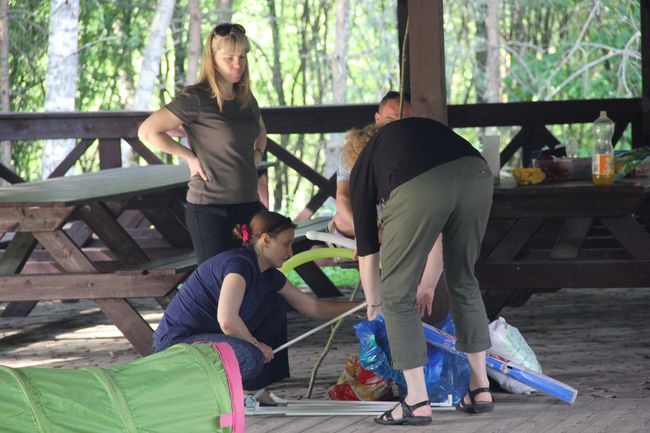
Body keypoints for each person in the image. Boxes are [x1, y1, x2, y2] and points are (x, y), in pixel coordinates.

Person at [350, 117, 495, 426]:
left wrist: (375, 304)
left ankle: (416, 401)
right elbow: (440, 228)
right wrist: (428, 282)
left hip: (422, 184)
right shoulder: (408, 138)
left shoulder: (364, 166)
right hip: (477, 172)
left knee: (396, 295)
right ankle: (480, 388)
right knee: (465, 279)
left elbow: (367, 250)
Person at [152, 210, 362, 404]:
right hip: (178, 347)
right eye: (286, 244)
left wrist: (361, 306)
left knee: (275, 305)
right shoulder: (238, 265)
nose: (290, 252)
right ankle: (222, 392)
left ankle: (254, 388)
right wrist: (255, 344)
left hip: (208, 341)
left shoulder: (269, 274)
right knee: (249, 357)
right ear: (265, 240)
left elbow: (313, 307)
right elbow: (227, 320)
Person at [138, 23, 267, 265]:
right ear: (213, 58)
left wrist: (258, 153)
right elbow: (147, 131)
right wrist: (189, 156)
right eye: (229, 57)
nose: (237, 64)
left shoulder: (246, 98)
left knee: (251, 275)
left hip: (248, 204)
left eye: (242, 56)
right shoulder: (196, 98)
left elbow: (261, 128)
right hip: (210, 207)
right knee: (216, 278)